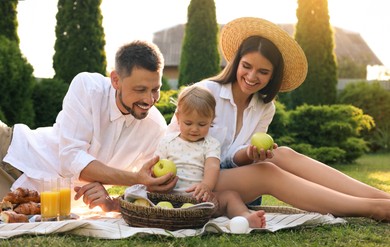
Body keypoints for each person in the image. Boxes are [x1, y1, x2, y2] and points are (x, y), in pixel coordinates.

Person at [77, 17, 390, 222]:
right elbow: (176, 145)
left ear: (273, 76)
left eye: (263, 72)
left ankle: (381, 197)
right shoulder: (205, 92)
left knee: (282, 154)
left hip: (233, 181)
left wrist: (250, 154)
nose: (252, 77)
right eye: (247, 66)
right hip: (193, 181)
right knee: (267, 170)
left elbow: (238, 158)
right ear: (236, 62)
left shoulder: (265, 108)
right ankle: (374, 209)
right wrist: (247, 157)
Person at [0, 40, 178, 205]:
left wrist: (112, 202)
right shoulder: (89, 87)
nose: (149, 99)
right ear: (116, 80)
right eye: (140, 90)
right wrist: (134, 178)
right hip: (14, 152)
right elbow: (71, 159)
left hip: (44, 200)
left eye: (156, 89)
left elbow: (144, 190)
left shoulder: (155, 128)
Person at [154, 85, 265, 228]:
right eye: (188, 123)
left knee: (230, 196)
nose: (194, 129)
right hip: (170, 197)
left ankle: (245, 217)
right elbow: (156, 165)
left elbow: (212, 167)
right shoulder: (167, 141)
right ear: (178, 117)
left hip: (201, 199)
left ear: (211, 120)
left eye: (202, 124)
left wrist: (206, 186)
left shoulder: (211, 144)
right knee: (147, 196)